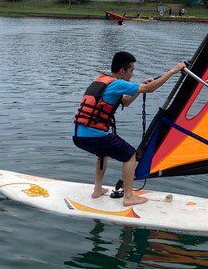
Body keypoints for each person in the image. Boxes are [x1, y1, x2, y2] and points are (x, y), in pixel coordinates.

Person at [73, 52, 186, 205]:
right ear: (122, 71)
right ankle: (128, 196)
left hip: (79, 135)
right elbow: (151, 88)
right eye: (132, 70)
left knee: (102, 153)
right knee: (130, 154)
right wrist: (173, 71)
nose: (133, 74)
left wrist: (139, 89)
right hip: (94, 134)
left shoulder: (101, 80)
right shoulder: (117, 84)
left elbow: (125, 102)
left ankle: (97, 189)